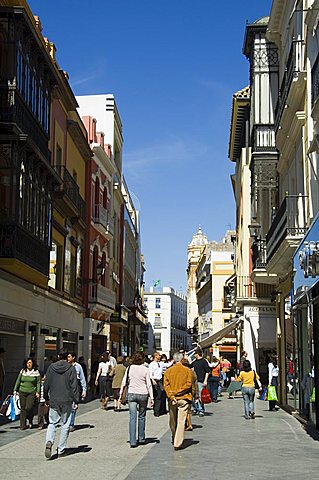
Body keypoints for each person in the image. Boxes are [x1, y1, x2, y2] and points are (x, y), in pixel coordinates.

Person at [44, 350, 80, 459]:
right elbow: (74, 386)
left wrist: (46, 397)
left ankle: (49, 440)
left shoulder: (51, 367)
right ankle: (61, 449)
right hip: (67, 399)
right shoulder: (71, 368)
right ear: (67, 357)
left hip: (54, 399)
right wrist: (76, 400)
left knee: (52, 422)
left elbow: (46, 384)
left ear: (59, 356)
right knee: (65, 424)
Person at [119, 351, 154, 447]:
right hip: (143, 394)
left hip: (132, 394)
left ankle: (132, 441)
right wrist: (152, 397)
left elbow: (124, 382)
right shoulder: (145, 369)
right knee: (142, 416)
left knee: (132, 417)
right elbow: (149, 384)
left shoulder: (130, 368)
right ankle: (141, 438)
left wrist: (120, 394)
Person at [163, 352, 193, 450]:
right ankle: (178, 442)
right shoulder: (188, 371)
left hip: (172, 399)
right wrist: (178, 392)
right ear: (181, 359)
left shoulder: (168, 371)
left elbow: (166, 386)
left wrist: (172, 395)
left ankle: (173, 436)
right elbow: (188, 385)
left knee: (172, 420)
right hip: (183, 398)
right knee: (181, 421)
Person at [14, 357, 40, 430]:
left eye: (30, 363)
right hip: (22, 391)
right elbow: (18, 380)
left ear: (33, 363)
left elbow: (38, 383)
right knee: (23, 409)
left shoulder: (36, 372)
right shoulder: (23, 371)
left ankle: (30, 419)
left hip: (31, 392)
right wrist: (15, 389)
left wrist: (38, 392)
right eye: (28, 363)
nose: (29, 364)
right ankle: (22, 425)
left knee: (29, 407)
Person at [67, 352, 87, 431]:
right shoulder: (65, 366)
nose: (68, 358)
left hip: (76, 388)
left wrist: (84, 390)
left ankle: (71, 424)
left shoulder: (78, 367)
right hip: (67, 388)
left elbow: (82, 378)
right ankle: (66, 422)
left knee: (73, 407)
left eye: (69, 357)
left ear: (73, 357)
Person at [191, 348, 210, 416]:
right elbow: (189, 366)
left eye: (195, 354)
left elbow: (207, 371)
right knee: (193, 396)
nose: (194, 355)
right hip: (194, 381)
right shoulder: (195, 361)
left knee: (199, 396)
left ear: (197, 354)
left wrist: (205, 380)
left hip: (201, 381)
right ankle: (195, 408)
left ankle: (201, 410)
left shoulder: (204, 361)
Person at [181, 357, 198, 431]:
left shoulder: (184, 372)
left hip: (185, 392)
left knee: (186, 409)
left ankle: (189, 424)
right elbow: (196, 383)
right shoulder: (193, 372)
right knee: (188, 408)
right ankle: (187, 423)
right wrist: (196, 394)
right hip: (192, 391)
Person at [149, 351, 164, 416]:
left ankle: (157, 410)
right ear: (155, 356)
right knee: (155, 395)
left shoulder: (161, 363)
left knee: (159, 395)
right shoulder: (152, 364)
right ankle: (156, 410)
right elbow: (150, 372)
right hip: (154, 380)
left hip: (160, 380)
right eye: (159, 355)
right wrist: (152, 379)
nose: (160, 356)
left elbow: (168, 364)